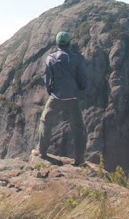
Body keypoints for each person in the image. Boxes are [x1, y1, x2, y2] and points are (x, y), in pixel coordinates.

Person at [32, 31, 88, 165]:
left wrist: (51, 91)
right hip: (73, 97)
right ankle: (79, 160)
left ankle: (41, 151)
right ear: (69, 43)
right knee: (78, 128)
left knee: (46, 121)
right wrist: (80, 89)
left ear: (57, 43)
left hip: (57, 97)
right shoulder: (77, 59)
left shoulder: (51, 58)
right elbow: (83, 79)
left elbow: (48, 79)